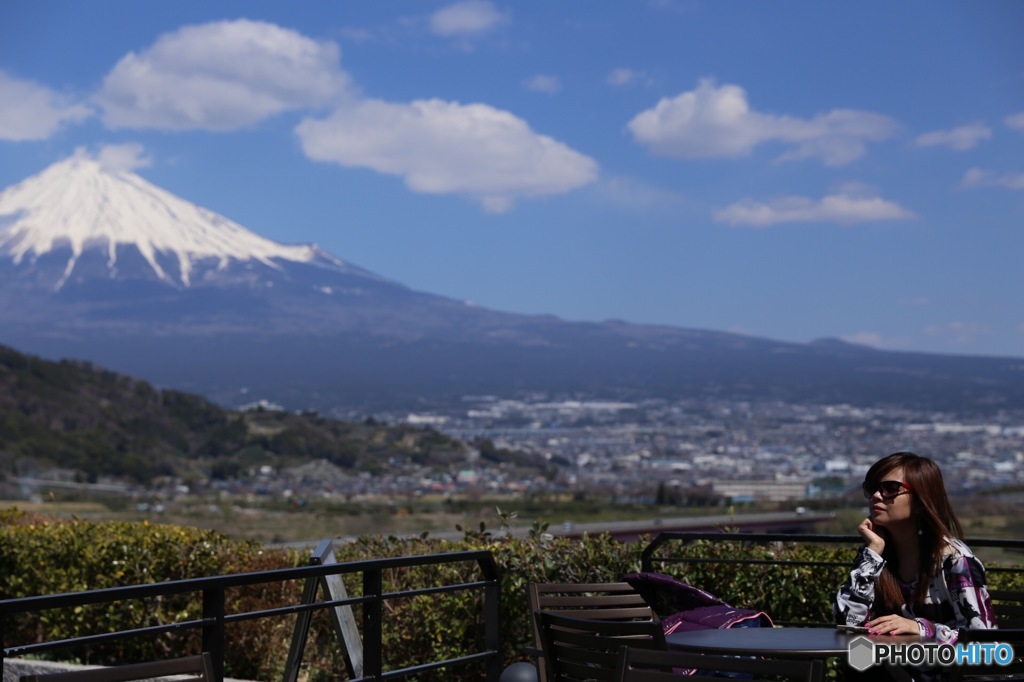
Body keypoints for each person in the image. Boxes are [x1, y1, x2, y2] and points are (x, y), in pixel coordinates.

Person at [835, 452, 995, 680]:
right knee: (858, 662)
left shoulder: (954, 560)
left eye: (890, 488)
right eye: (871, 488)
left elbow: (982, 642)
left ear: (921, 502)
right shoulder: (875, 555)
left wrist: (922, 628)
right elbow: (847, 625)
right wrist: (872, 554)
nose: (876, 496)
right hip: (895, 672)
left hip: (949, 675)